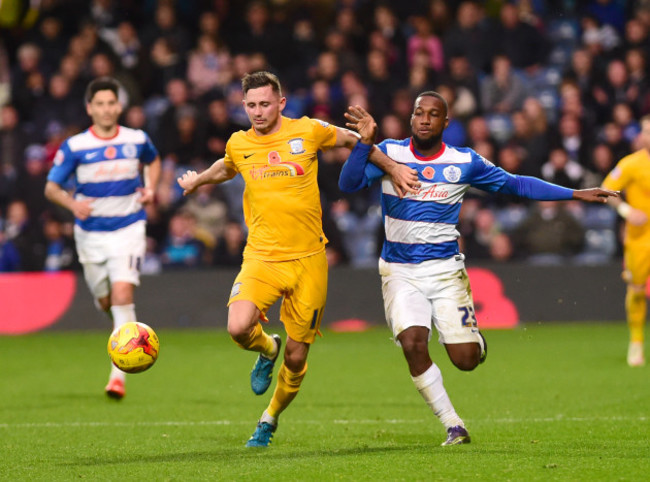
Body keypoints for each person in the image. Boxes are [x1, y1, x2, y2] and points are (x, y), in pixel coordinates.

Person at [338, 91, 617, 446]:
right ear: (411, 118)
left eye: (433, 114)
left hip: (444, 271)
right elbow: (347, 185)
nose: (424, 119)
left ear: (445, 123)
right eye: (419, 113)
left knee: (466, 360)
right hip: (400, 270)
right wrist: (364, 144)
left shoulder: (464, 162)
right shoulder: (389, 153)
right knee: (412, 342)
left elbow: (516, 184)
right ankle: (453, 424)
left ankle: (474, 342)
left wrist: (574, 194)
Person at [176, 71, 417, 448]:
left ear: (281, 103)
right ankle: (266, 348)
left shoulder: (308, 130)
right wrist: (198, 181)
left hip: (308, 260)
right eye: (251, 105)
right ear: (244, 106)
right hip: (262, 257)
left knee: (298, 353)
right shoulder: (238, 143)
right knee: (238, 327)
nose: (258, 112)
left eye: (265, 104)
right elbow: (227, 165)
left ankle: (269, 418)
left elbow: (355, 140)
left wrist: (394, 166)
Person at [44, 77, 161, 399]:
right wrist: (72, 203)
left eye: (112, 103)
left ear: (119, 106)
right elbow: (51, 187)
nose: (107, 109)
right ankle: (117, 324)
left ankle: (119, 374)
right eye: (100, 104)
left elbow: (153, 160)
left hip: (129, 228)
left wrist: (150, 188)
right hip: (91, 236)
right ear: (90, 108)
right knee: (106, 300)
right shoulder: (75, 146)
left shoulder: (137, 139)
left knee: (123, 292)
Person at [601, 114, 650, 367]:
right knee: (638, 290)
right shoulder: (630, 164)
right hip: (640, 239)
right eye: (646, 131)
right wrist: (628, 212)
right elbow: (606, 190)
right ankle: (637, 342)